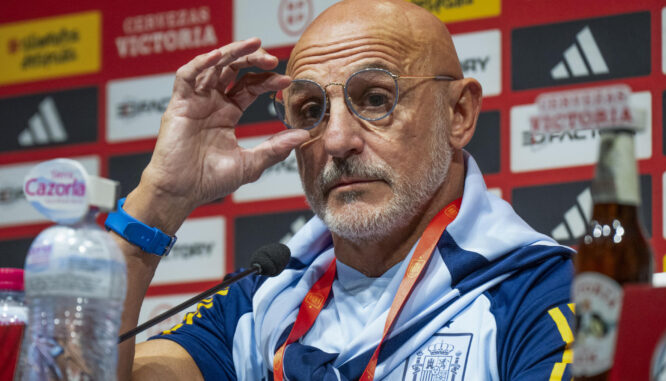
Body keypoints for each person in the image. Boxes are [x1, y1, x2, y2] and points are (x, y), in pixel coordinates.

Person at [113, 0, 575, 380]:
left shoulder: (540, 294)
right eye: (311, 108)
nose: (336, 140)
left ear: (458, 115)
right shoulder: (262, 300)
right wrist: (160, 200)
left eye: (376, 98)